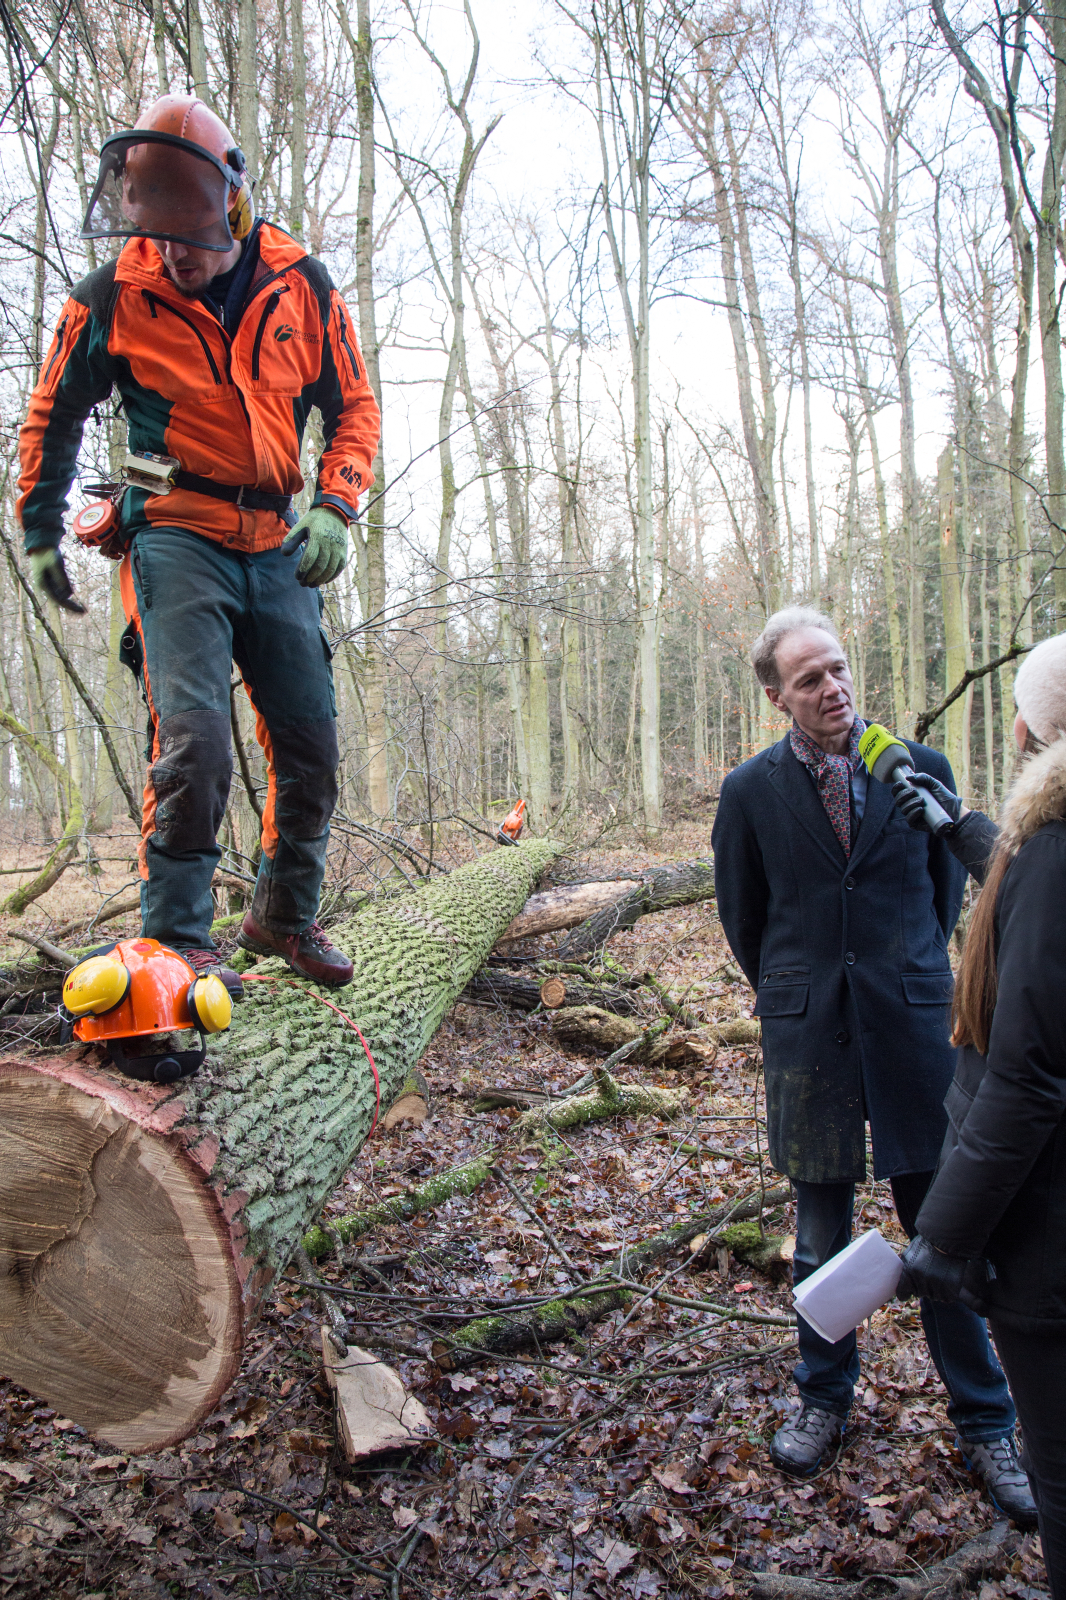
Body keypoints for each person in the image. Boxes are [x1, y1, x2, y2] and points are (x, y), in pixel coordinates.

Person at [17, 95, 380, 990]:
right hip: (175, 531)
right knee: (195, 741)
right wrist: (38, 529)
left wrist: (335, 503)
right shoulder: (113, 295)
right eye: (158, 232)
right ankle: (174, 945)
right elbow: (53, 412)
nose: (173, 253)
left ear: (232, 203)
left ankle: (282, 919)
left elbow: (355, 408)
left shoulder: (304, 284)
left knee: (311, 746)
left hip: (277, 535)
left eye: (189, 233)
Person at [710, 606, 1033, 1525]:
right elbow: (747, 917)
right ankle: (822, 1402)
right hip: (809, 1038)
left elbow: (939, 904)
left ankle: (987, 1424)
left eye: (839, 669)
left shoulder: (919, 769)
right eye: (809, 680)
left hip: (916, 1030)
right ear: (778, 697)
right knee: (818, 1241)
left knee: (946, 1237)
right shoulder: (749, 792)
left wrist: (905, 981)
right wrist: (800, 990)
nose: (833, 690)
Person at [895, 631, 1066, 1595]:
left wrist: (944, 1236)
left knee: (1060, 1474)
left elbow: (1028, 1075)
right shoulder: (1040, 849)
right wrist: (957, 824)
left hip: (1047, 1235)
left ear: (1032, 728)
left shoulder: (1054, 855)